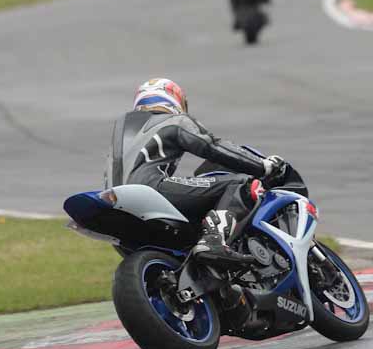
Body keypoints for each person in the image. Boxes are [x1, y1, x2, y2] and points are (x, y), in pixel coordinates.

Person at [106, 78, 287, 266]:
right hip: (150, 189)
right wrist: (263, 165)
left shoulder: (123, 129)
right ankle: (213, 241)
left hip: (115, 206)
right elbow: (211, 146)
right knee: (241, 183)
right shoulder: (173, 120)